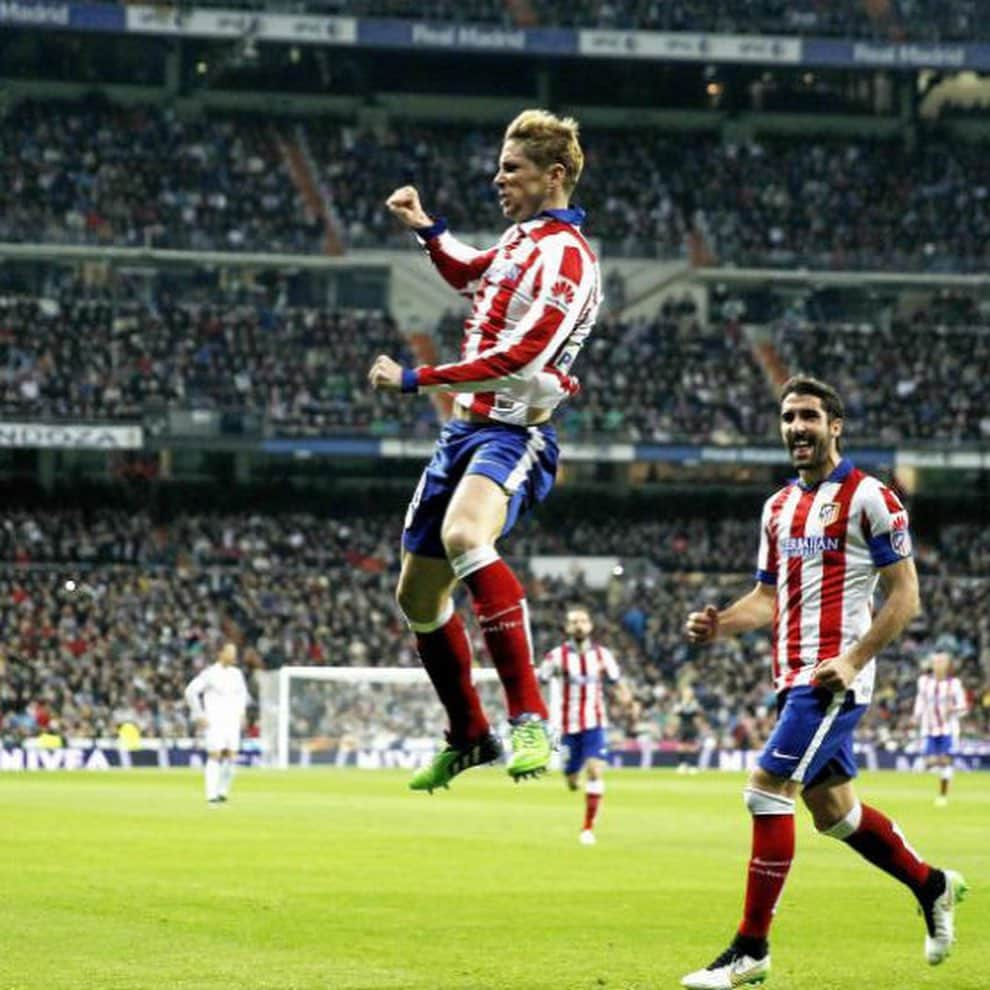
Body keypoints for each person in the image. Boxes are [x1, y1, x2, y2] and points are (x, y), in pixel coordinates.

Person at [680, 375, 967, 989]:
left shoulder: (873, 498)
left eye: (809, 416)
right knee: (835, 814)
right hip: (792, 676)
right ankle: (932, 884)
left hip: (833, 679)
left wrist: (856, 659)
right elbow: (767, 598)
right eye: (788, 418)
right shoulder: (777, 507)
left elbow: (906, 595)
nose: (797, 428)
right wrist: (720, 625)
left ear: (834, 425)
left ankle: (750, 950)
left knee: (765, 788)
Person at [368, 109, 601, 793]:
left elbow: (522, 355)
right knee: (416, 597)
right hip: (462, 433)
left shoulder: (568, 258)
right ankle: (469, 735)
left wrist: (416, 377)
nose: (498, 178)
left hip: (514, 431)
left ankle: (530, 717)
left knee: (467, 533)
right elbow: (472, 273)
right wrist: (426, 228)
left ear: (553, 175)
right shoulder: (521, 243)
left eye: (511, 168)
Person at [539, 605, 634, 844]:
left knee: (595, 769)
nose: (579, 625)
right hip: (565, 726)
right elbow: (538, 681)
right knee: (572, 780)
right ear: (567, 628)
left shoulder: (603, 655)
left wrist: (626, 699)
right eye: (574, 622)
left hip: (594, 724)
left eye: (583, 621)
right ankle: (571, 775)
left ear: (590, 626)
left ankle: (588, 828)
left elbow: (617, 681)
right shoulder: (555, 657)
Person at [184, 641, 249, 805]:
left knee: (232, 756)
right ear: (220, 654)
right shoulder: (210, 673)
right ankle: (211, 795)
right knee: (215, 755)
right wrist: (199, 714)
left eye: (234, 652)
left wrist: (242, 714)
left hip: (232, 720)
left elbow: (242, 695)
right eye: (230, 652)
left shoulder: (237, 674)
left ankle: (222, 792)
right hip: (215, 721)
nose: (233, 655)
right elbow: (190, 691)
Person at [912, 651, 967, 807]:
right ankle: (940, 768)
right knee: (929, 761)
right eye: (935, 661)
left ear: (947, 665)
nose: (937, 664)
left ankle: (942, 795)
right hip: (928, 729)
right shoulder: (923, 682)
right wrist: (916, 716)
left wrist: (954, 709)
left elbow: (963, 707)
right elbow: (920, 700)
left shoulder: (954, 684)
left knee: (945, 761)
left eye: (941, 661)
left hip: (947, 730)